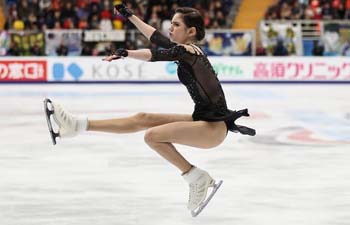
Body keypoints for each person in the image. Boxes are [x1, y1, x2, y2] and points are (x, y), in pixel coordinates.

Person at [44, 4, 255, 216]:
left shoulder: (188, 51)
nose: (170, 28)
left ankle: (194, 176)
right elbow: (157, 39)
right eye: (170, 23)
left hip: (213, 128)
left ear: (191, 31)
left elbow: (156, 54)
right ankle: (76, 125)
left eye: (176, 24)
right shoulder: (186, 51)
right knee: (143, 118)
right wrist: (130, 16)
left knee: (152, 136)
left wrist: (127, 52)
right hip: (205, 121)